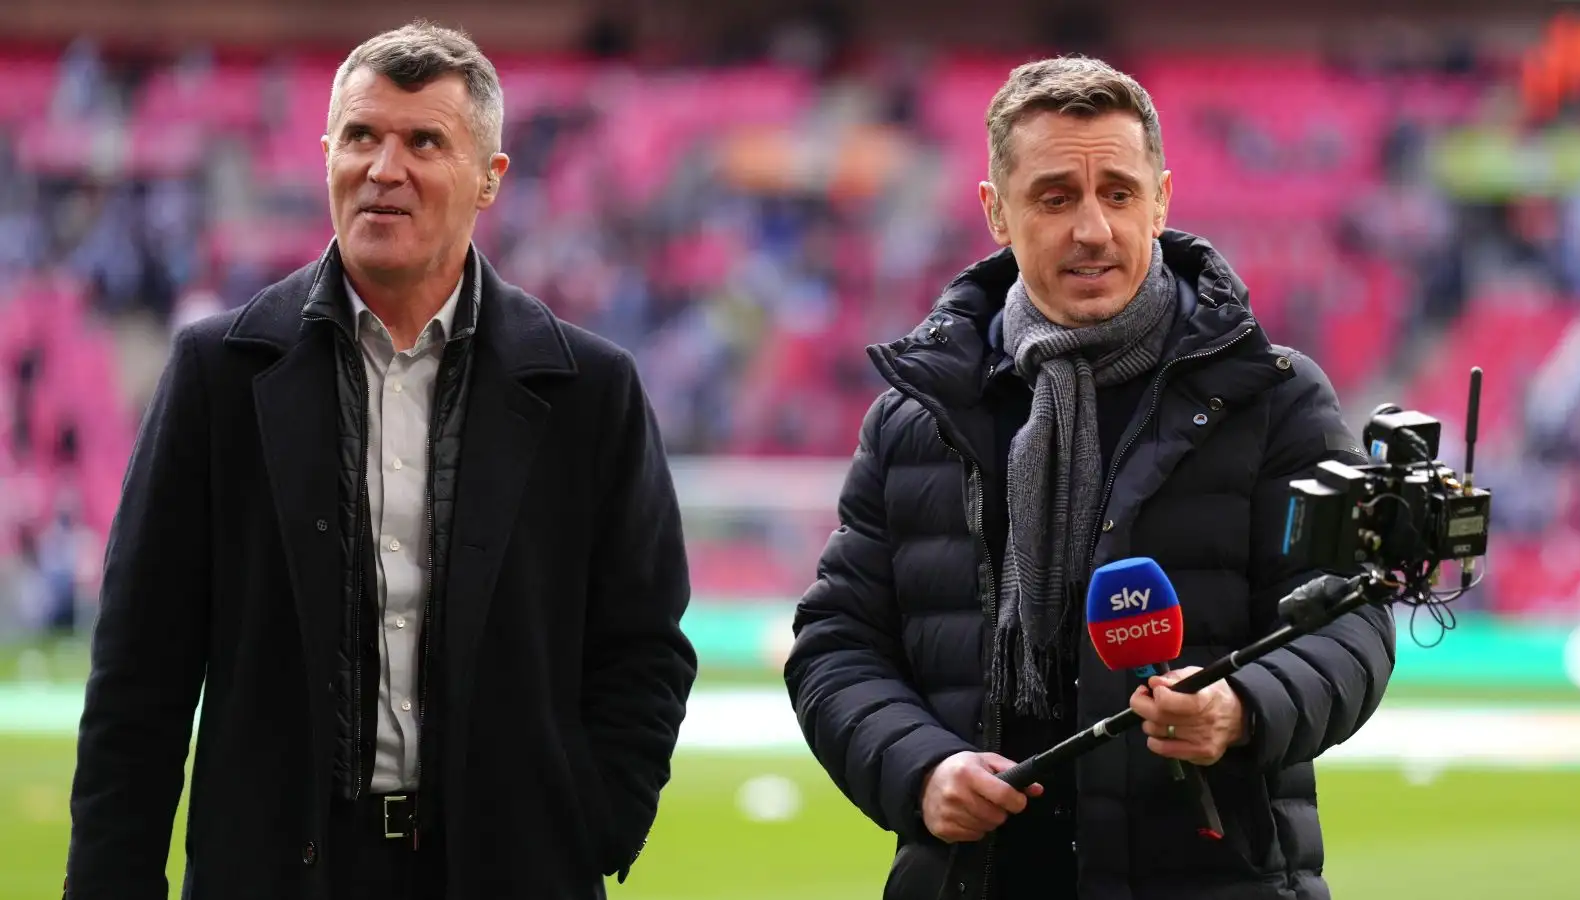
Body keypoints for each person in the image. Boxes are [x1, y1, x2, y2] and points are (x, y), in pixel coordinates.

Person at [64, 22, 697, 900]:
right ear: (325, 155)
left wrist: (589, 823)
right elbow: (142, 667)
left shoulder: (589, 390)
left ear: (490, 179)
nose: (383, 167)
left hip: (509, 872)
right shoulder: (220, 374)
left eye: (424, 141)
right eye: (360, 136)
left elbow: (644, 645)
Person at [784, 55, 1395, 900]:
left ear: (1162, 200)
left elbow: (1353, 624)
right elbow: (837, 646)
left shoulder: (1274, 397)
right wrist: (923, 770)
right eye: (1055, 196)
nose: (1094, 229)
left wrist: (1241, 706)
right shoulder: (919, 417)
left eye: (1117, 191)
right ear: (996, 212)